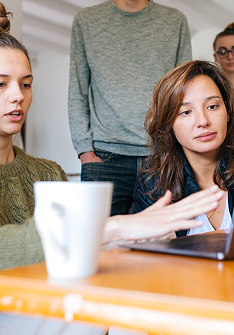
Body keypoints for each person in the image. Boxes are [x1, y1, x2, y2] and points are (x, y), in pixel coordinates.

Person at [0, 2, 223, 334]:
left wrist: (148, 236)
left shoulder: (47, 172)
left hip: (40, 302)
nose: (18, 96)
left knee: (135, 299)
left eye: (25, 84)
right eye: (0, 84)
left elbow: (70, 264)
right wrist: (108, 228)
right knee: (91, 310)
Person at [68, 0, 192, 215]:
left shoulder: (175, 21)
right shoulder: (86, 20)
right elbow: (76, 89)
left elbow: (184, 93)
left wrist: (178, 149)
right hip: (103, 158)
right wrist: (84, 150)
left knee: (158, 244)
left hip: (161, 156)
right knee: (98, 245)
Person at [133, 60, 234, 237]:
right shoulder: (152, 185)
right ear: (168, 124)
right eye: (185, 112)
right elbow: (147, 259)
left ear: (228, 112)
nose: (203, 121)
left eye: (212, 106)